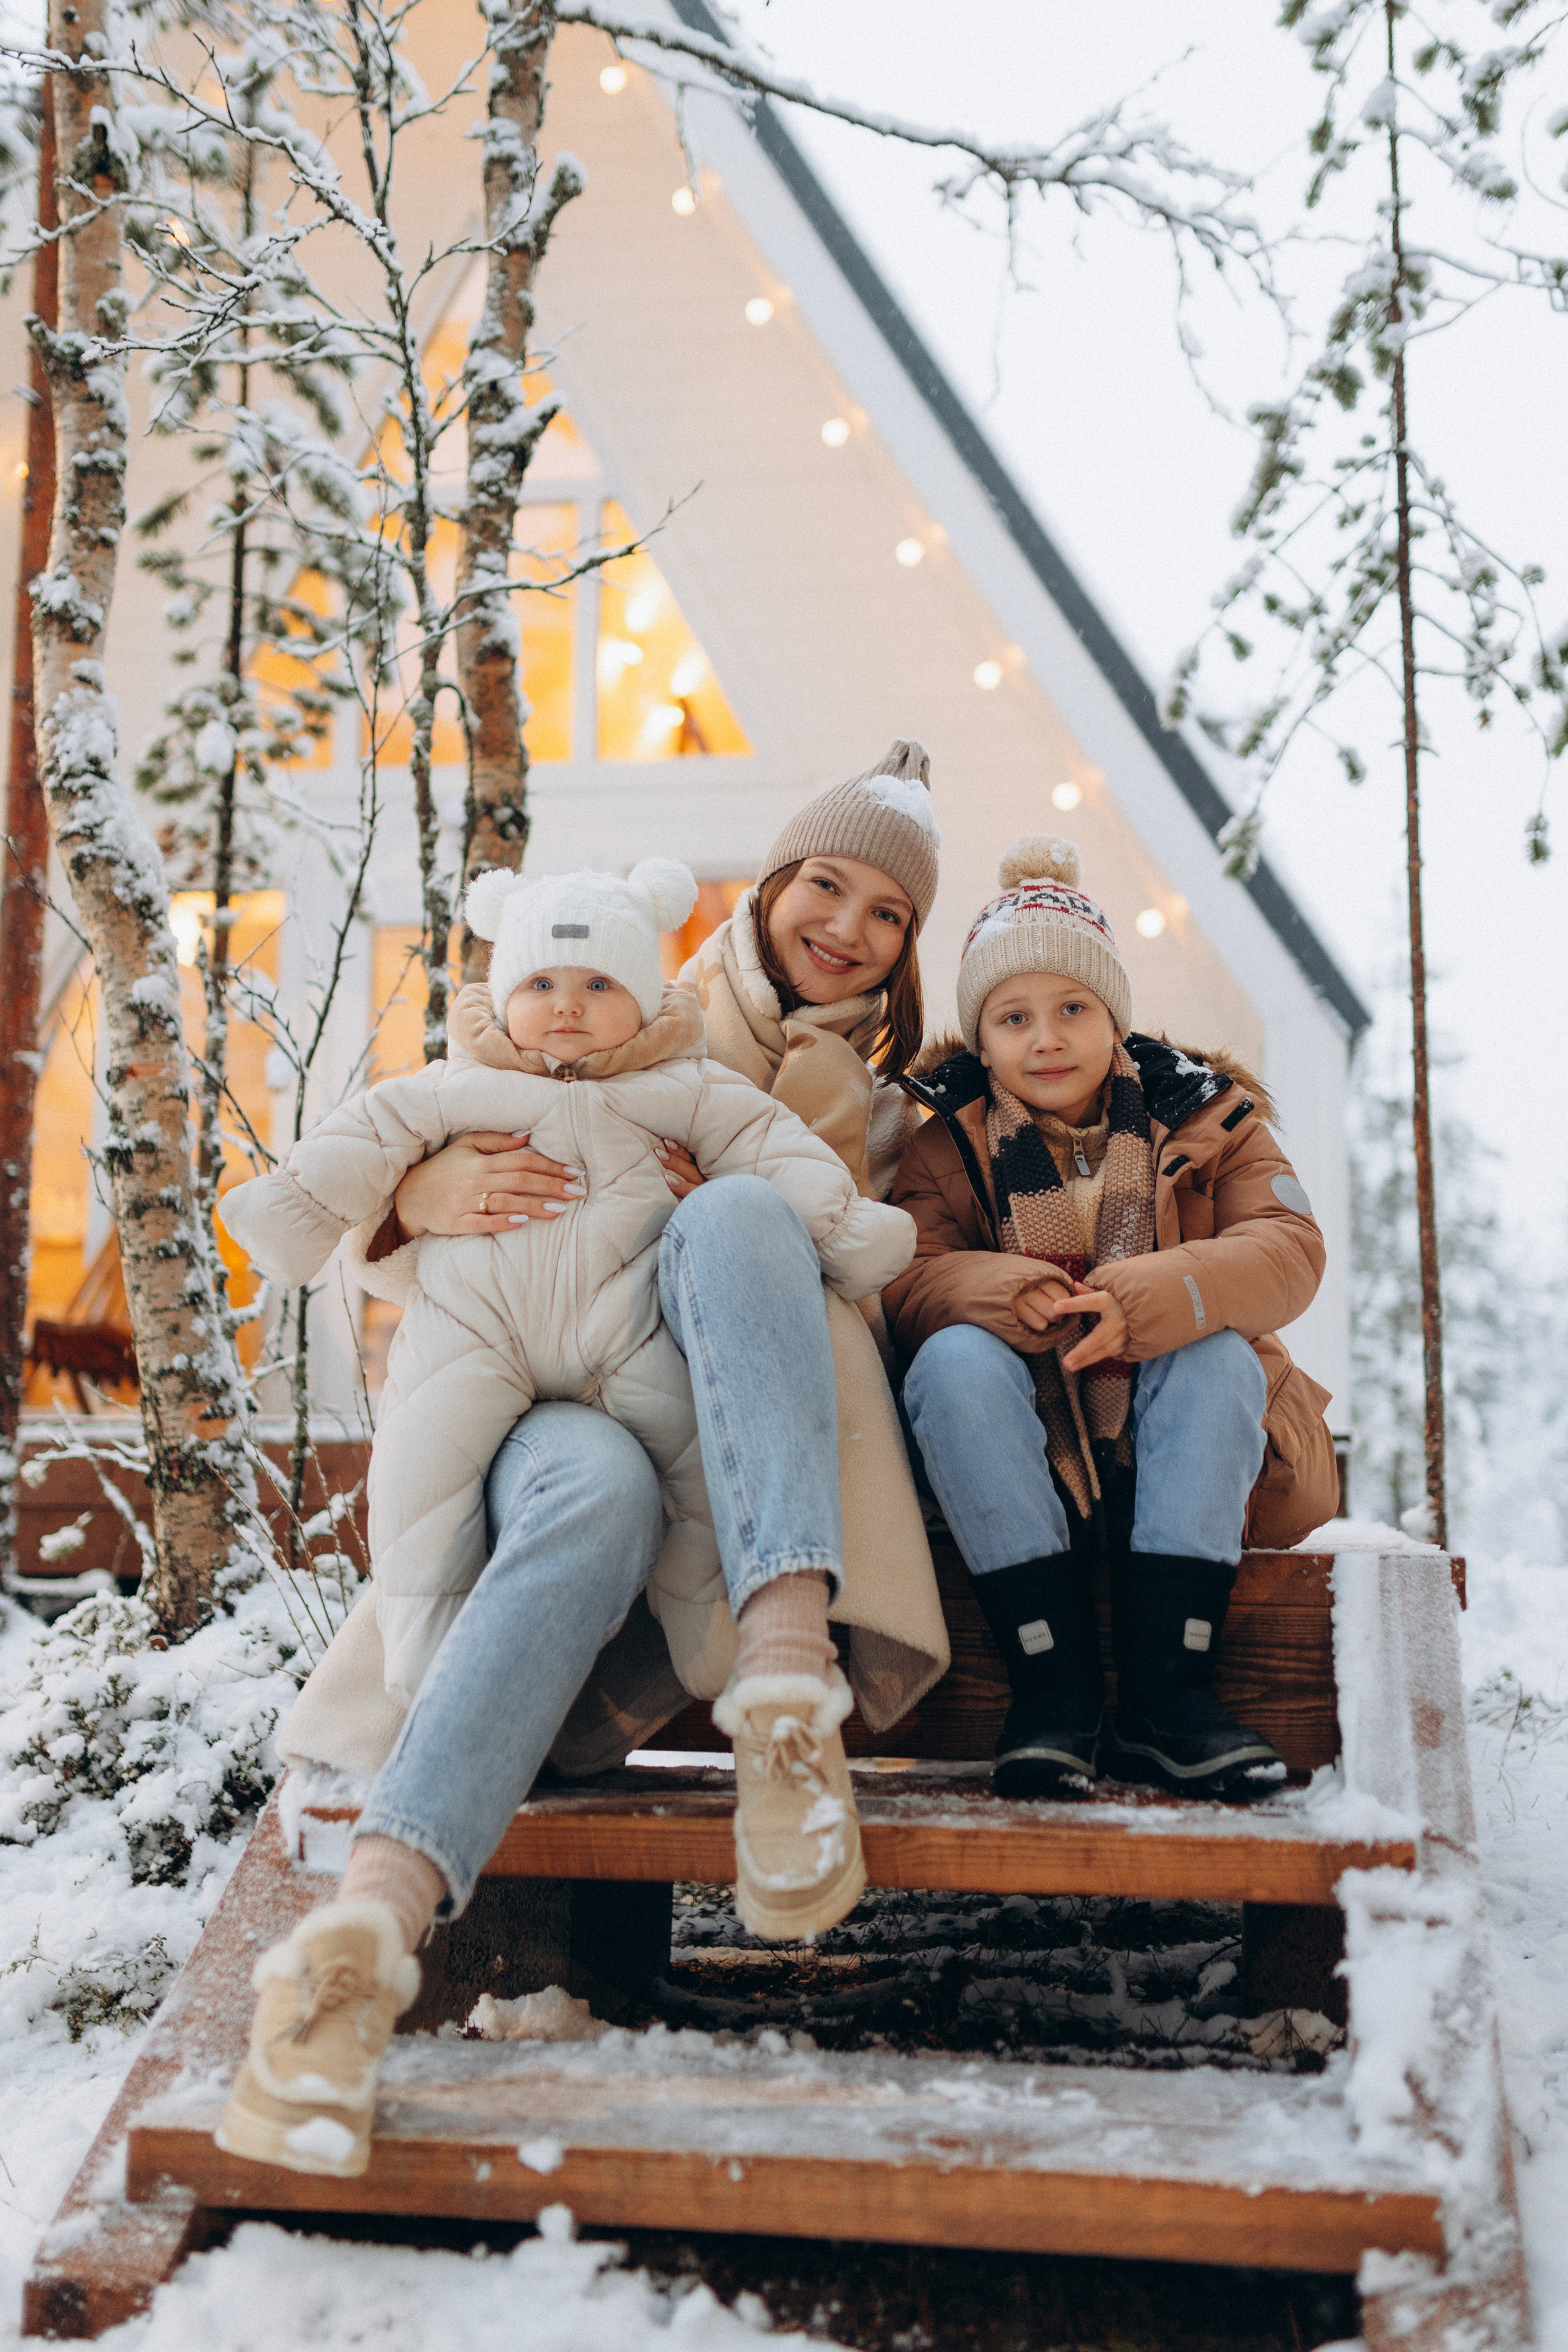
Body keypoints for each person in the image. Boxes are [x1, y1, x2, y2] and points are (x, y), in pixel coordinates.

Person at [221, 745, 951, 2179]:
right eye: (824, 884)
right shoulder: (578, 1001)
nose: (846, 928)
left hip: (702, 1453)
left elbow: (884, 1273)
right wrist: (410, 1203)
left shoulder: (880, 1097)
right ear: (761, 887)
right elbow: (409, 1224)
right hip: (537, 1419)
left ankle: (781, 1683)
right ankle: (357, 1945)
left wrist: (750, 1209)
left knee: (728, 1249)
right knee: (584, 1477)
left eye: (887, 913)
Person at [886, 835, 1338, 1806]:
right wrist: (999, 1292)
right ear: (982, 1037)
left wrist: (1149, 1301)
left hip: (1195, 1446)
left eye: (1073, 1009)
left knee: (1216, 1352)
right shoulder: (943, 1146)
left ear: (1114, 1018)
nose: (1045, 1039)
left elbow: (1290, 1250)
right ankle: (1052, 1688)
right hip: (1018, 1444)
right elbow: (905, 1278)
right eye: (1014, 1017)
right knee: (951, 1360)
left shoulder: (1212, 1119)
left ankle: (1168, 1696)